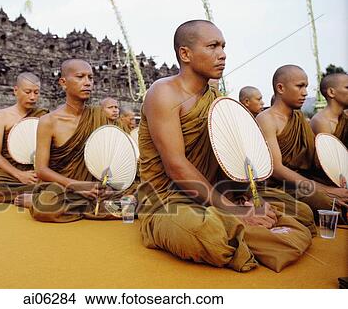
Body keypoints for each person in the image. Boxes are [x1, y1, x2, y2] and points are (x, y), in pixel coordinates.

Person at [137, 20, 312, 273]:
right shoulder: (163, 93)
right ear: (185, 54)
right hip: (168, 199)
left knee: (301, 211)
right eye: (212, 46)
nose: (223, 54)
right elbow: (176, 166)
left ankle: (254, 231)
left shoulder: (218, 101)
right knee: (212, 237)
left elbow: (231, 159)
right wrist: (234, 211)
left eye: (223, 46)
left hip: (216, 191)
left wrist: (248, 199)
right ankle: (258, 233)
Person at [30, 59, 136, 221]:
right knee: (46, 206)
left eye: (90, 78)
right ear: (63, 83)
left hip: (96, 186)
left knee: (146, 190)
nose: (87, 83)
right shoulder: (48, 121)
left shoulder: (100, 115)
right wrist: (76, 185)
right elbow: (41, 169)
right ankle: (115, 207)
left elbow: (116, 152)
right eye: (80, 77)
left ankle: (108, 205)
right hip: (65, 187)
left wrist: (108, 184)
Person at [256, 65, 348, 220]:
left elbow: (314, 159)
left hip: (305, 180)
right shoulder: (267, 119)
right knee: (329, 204)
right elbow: (276, 169)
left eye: (305, 87)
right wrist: (323, 189)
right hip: (280, 186)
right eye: (299, 86)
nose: (305, 92)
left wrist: (336, 177)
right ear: (281, 88)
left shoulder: (300, 119)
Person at [0, 72, 48, 205]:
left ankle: (35, 194)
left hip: (36, 168)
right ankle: (37, 194)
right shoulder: (1, 116)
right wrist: (19, 175)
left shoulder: (44, 116)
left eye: (36, 92)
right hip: (8, 169)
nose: (32, 97)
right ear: (16, 91)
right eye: (28, 92)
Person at [310, 73, 348, 145]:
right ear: (331, 92)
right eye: (347, 87)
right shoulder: (321, 122)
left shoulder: (344, 117)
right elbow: (330, 154)